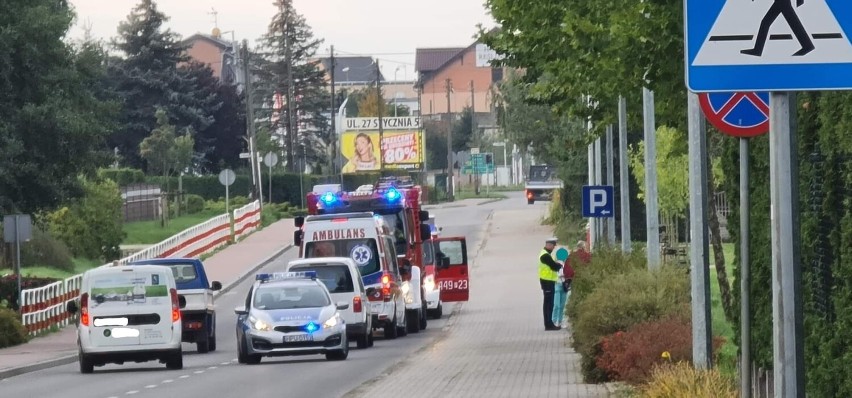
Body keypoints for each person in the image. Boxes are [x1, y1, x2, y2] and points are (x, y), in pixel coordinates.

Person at [538, 237, 563, 331]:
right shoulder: (545, 255)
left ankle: (549, 323)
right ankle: (548, 324)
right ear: (549, 245)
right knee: (548, 304)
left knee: (549, 303)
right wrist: (559, 265)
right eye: (553, 246)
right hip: (547, 281)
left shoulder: (546, 254)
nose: (553, 248)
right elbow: (553, 266)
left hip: (548, 281)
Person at [552, 251, 575, 329]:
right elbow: (553, 274)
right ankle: (554, 321)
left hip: (564, 285)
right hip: (557, 285)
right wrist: (560, 275)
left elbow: (571, 274)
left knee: (562, 305)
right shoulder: (554, 265)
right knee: (556, 305)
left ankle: (560, 321)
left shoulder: (567, 265)